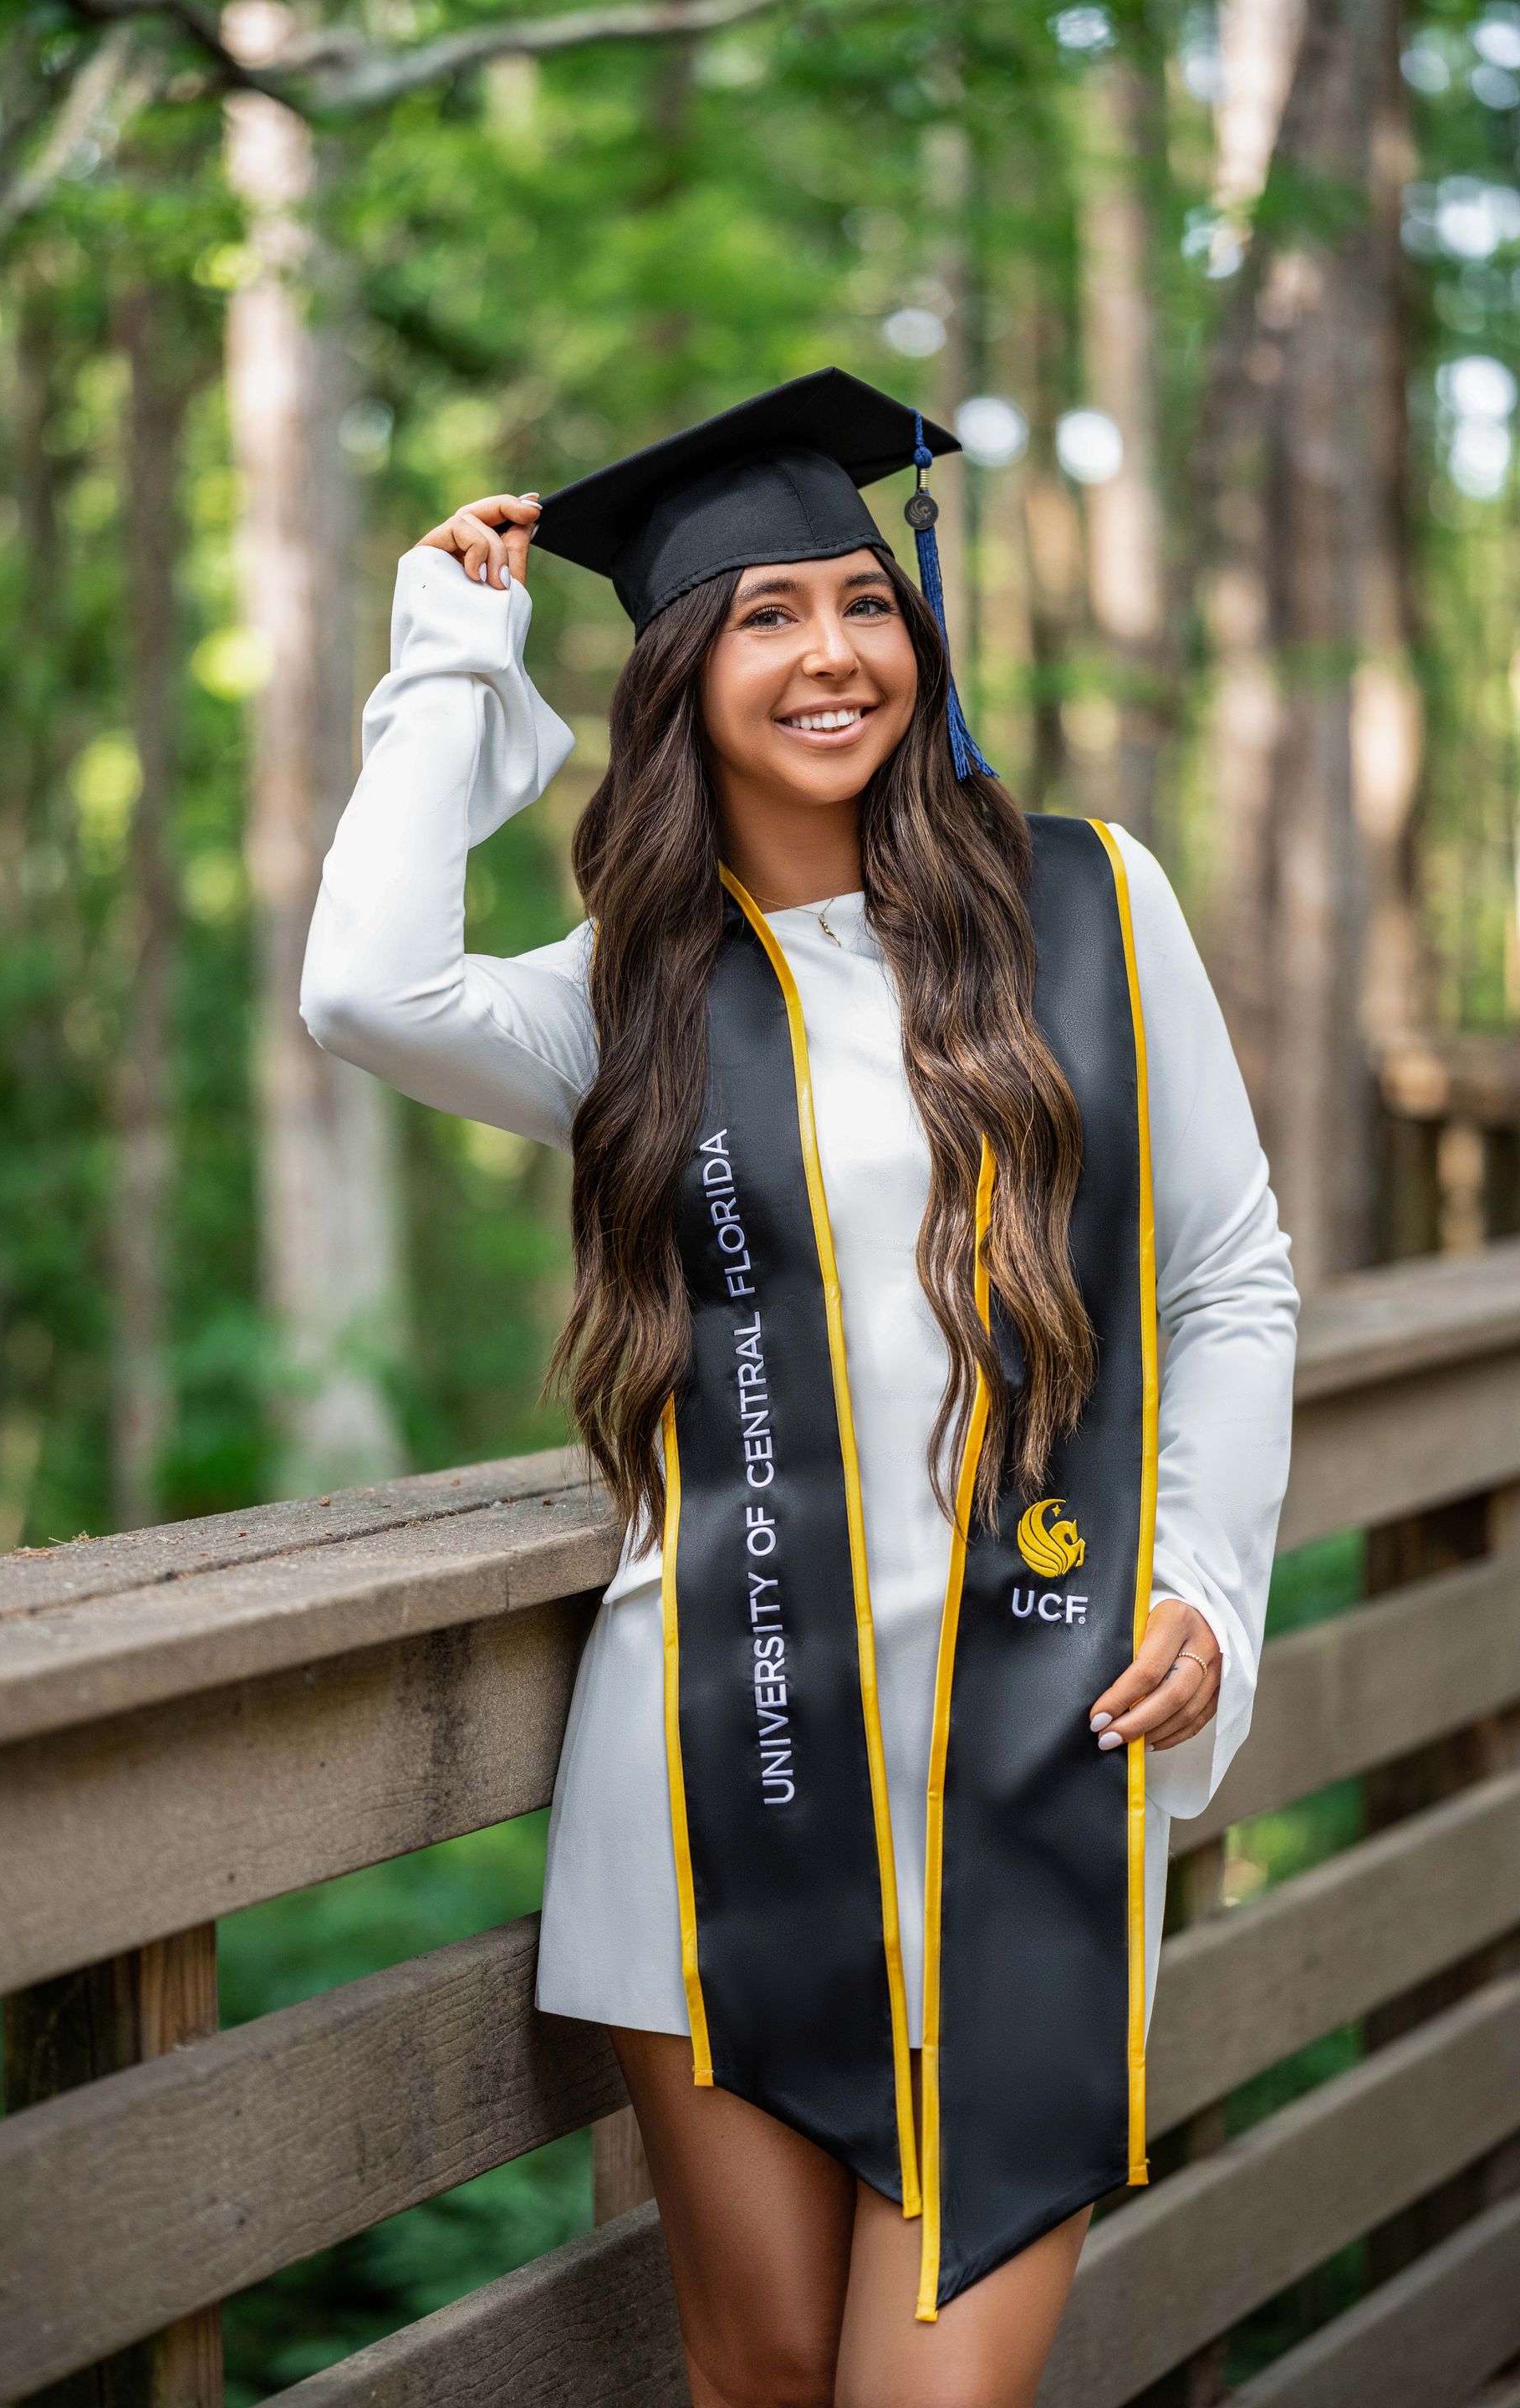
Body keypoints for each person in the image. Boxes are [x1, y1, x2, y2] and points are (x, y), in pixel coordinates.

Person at [300, 368, 1299, 2408]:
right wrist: (450, 661)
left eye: (865, 600)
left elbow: (1230, 1273)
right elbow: (365, 988)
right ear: (682, 670)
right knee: (756, 2378)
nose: (836, 651)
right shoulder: (627, 997)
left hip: (1029, 1745)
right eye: (767, 615)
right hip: (716, 1772)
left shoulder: (1089, 910)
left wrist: (1200, 1570)